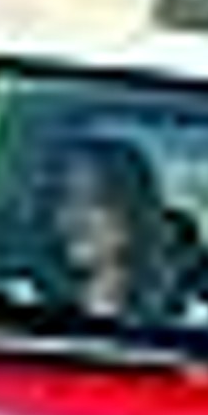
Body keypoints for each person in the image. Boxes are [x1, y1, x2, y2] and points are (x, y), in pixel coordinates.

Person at [48, 136, 170, 318]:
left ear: (132, 215)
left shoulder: (173, 311)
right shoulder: (31, 295)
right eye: (67, 201)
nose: (75, 219)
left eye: (95, 202)